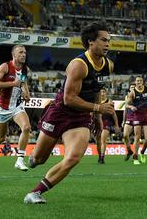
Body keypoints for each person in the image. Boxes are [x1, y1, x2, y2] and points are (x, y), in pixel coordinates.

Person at [24, 21, 115, 204]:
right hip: (60, 112)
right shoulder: (78, 65)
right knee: (40, 159)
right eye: (103, 40)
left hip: (80, 117)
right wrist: (98, 108)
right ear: (91, 42)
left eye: (109, 41)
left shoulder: (108, 65)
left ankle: (35, 193)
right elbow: (69, 99)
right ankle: (34, 158)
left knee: (73, 157)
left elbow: (97, 90)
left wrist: (97, 118)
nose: (107, 44)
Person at [0, 45, 32, 171]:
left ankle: (20, 160)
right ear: (14, 55)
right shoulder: (5, 66)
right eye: (20, 52)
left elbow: (23, 82)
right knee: (1, 138)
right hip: (3, 107)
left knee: (26, 128)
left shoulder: (24, 69)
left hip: (17, 105)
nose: (23, 54)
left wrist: (26, 93)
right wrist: (13, 84)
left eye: (25, 52)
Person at [125, 76, 147, 165]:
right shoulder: (132, 92)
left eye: (140, 80)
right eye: (137, 81)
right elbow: (126, 104)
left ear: (142, 82)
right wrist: (131, 106)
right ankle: (135, 157)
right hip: (137, 116)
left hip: (146, 115)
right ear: (135, 82)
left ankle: (142, 152)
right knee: (137, 137)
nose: (139, 82)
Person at [96, 88, 120, 164]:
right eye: (101, 92)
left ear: (106, 93)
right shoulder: (96, 101)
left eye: (103, 92)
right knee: (98, 141)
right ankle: (100, 156)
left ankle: (102, 157)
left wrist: (116, 125)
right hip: (97, 122)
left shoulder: (109, 102)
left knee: (103, 139)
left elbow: (113, 114)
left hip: (106, 121)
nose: (102, 93)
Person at [121, 92, 135, 161]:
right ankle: (129, 150)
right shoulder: (127, 98)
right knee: (125, 135)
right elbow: (125, 110)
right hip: (129, 118)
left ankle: (135, 155)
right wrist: (123, 120)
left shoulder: (138, 96)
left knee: (136, 137)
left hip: (137, 118)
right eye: (131, 87)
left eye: (133, 87)